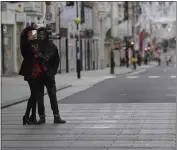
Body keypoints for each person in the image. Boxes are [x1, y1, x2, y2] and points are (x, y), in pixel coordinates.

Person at [35, 27, 66, 124]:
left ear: (46, 35)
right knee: (39, 97)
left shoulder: (52, 46)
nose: (42, 36)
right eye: (40, 34)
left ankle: (56, 116)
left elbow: (56, 60)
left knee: (52, 95)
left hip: (49, 76)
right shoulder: (35, 46)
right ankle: (42, 117)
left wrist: (53, 71)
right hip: (38, 76)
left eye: (43, 34)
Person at [19, 26, 40, 125]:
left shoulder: (32, 44)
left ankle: (33, 117)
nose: (35, 35)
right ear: (29, 34)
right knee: (35, 94)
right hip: (30, 71)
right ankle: (27, 116)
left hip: (34, 70)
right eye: (33, 33)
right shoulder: (27, 44)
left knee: (35, 94)